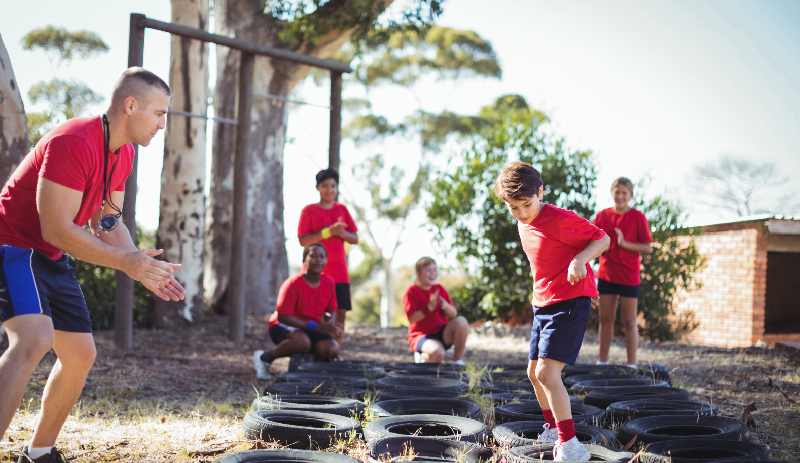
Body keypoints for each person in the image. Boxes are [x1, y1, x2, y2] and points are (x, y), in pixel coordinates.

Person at [0, 67, 185, 463]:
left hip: (49, 255)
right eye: (159, 114)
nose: (162, 125)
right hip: (13, 245)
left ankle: (38, 453)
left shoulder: (124, 153)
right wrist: (126, 262)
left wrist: (141, 264)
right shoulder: (74, 140)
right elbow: (56, 228)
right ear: (130, 106)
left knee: (81, 354)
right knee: (33, 339)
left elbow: (107, 222)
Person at [494, 162, 609, 462]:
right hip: (542, 304)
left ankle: (570, 445)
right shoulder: (523, 222)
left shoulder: (559, 219)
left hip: (569, 301)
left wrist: (581, 262)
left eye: (526, 205)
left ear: (540, 192)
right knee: (533, 373)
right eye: (513, 207)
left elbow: (602, 238)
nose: (521, 213)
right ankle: (551, 428)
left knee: (547, 372)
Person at [253, 243, 343, 380]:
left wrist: (331, 326)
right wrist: (316, 326)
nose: (318, 260)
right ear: (304, 260)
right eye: (313, 256)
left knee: (331, 349)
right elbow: (283, 317)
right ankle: (264, 358)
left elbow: (331, 309)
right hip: (283, 324)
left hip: (312, 326)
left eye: (322, 256)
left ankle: (311, 369)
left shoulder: (329, 282)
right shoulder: (293, 284)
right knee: (302, 343)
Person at [592, 177, 653, 369]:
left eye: (624, 193)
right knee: (605, 319)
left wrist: (624, 244)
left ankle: (631, 365)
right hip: (606, 274)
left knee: (629, 320)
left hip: (629, 275)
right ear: (612, 193)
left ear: (630, 195)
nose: (620, 196)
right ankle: (602, 361)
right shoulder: (602, 216)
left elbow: (648, 247)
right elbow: (592, 240)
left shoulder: (638, 217)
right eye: (617, 192)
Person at [297, 168, 358, 348]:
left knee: (340, 314)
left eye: (333, 186)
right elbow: (303, 240)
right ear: (317, 187)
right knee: (315, 314)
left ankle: (334, 351)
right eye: (325, 186)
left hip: (339, 272)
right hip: (315, 273)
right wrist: (328, 232)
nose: (329, 190)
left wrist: (342, 233)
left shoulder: (342, 210)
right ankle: (315, 349)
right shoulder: (309, 210)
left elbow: (354, 238)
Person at [403, 257, 469, 365]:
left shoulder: (439, 289)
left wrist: (447, 306)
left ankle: (458, 362)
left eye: (434, 270)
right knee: (438, 354)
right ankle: (423, 356)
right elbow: (411, 319)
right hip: (422, 335)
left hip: (442, 332)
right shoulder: (412, 292)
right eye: (428, 270)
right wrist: (429, 308)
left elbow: (454, 314)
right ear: (418, 273)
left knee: (462, 321)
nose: (432, 273)